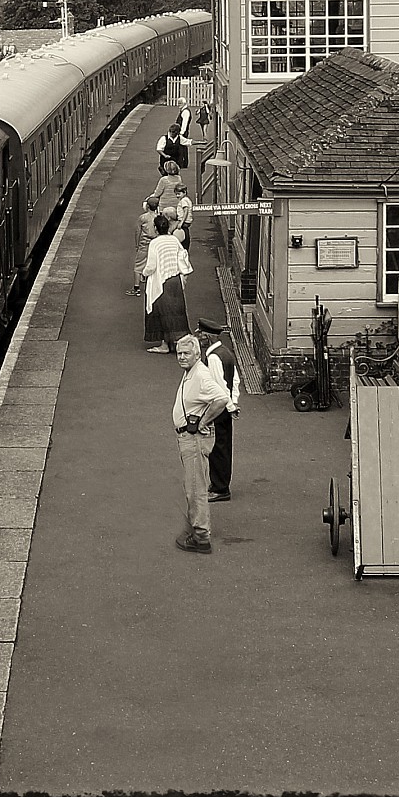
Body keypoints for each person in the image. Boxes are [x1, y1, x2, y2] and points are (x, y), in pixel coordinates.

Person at [171, 332, 232, 552]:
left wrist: (204, 421)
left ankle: (200, 537)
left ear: (197, 354)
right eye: (179, 353)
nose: (182, 357)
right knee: (192, 485)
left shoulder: (201, 376)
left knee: (196, 488)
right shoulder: (191, 371)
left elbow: (221, 398)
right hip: (188, 437)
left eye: (186, 353)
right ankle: (194, 527)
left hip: (194, 438)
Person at [201, 323, 241, 501]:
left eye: (201, 334)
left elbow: (219, 386)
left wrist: (230, 407)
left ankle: (220, 488)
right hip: (226, 405)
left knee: (217, 448)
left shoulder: (214, 358)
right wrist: (234, 402)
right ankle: (219, 483)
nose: (199, 338)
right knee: (223, 446)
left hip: (219, 407)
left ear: (209, 336)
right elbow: (235, 381)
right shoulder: (225, 352)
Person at [141, 212, 192, 353]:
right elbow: (182, 255)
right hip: (175, 280)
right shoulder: (174, 240)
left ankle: (164, 344)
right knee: (176, 312)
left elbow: (151, 266)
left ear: (156, 229)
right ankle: (179, 342)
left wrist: (143, 274)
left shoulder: (155, 243)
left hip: (161, 281)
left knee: (160, 312)